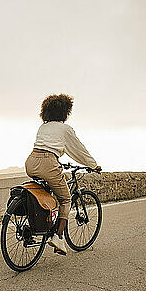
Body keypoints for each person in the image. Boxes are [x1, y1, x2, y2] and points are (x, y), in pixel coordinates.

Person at [25, 94, 101, 255]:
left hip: (31, 162)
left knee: (48, 190)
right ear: (65, 111)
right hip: (49, 163)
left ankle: (37, 224)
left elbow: (48, 146)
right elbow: (78, 149)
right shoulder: (65, 128)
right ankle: (58, 236)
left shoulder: (43, 127)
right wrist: (93, 165)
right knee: (65, 198)